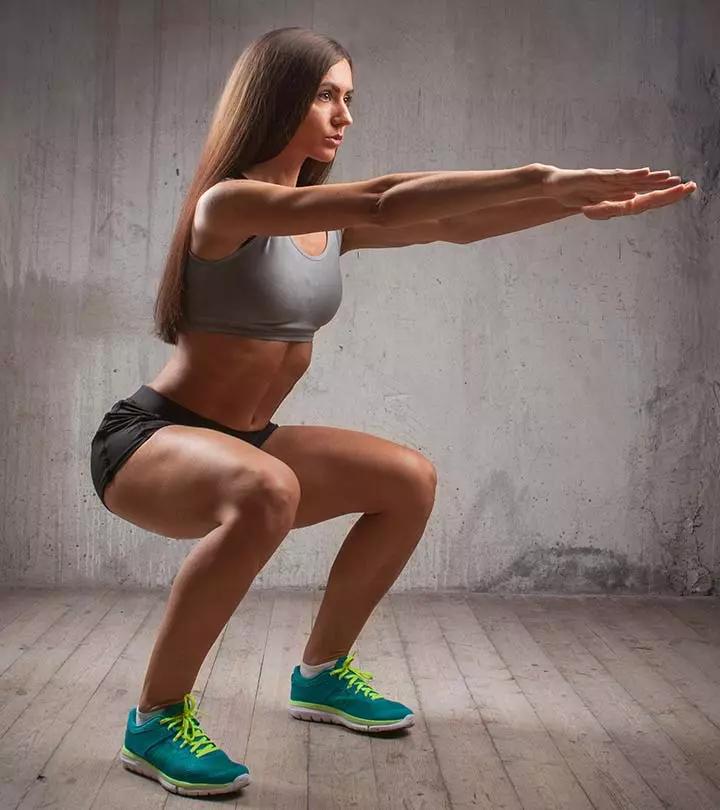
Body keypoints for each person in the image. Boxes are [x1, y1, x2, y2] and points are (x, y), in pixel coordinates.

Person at [88, 25, 695, 799]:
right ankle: (156, 718)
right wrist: (543, 175)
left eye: (350, 98)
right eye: (326, 95)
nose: (345, 115)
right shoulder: (231, 202)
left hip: (245, 440)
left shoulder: (320, 222)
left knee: (407, 479)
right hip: (149, 442)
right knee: (268, 489)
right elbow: (385, 195)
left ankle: (321, 674)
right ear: (274, 99)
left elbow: (447, 223)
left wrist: (569, 207)